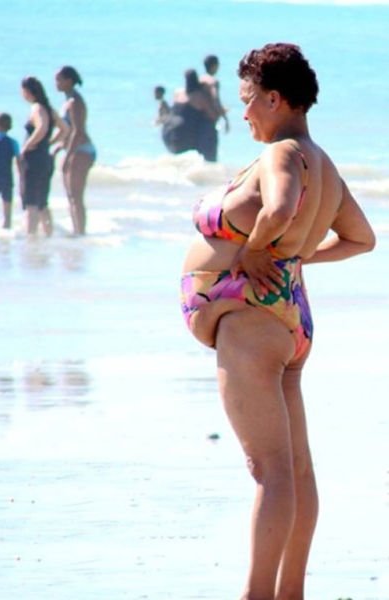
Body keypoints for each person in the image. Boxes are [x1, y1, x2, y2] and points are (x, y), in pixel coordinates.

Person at [180, 43, 375, 599]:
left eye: (248, 99)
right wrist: (295, 258)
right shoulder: (325, 164)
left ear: (275, 98)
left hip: (252, 321)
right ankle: (290, 592)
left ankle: (258, 595)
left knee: (269, 469)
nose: (242, 112)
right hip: (286, 318)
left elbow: (281, 207)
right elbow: (361, 239)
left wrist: (254, 251)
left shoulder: (282, 153)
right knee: (294, 469)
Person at [20, 76, 66, 236]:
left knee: (31, 203)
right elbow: (65, 129)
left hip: (34, 159)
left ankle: (31, 238)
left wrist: (27, 145)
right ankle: (48, 236)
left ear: (27, 91)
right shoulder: (49, 108)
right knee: (42, 203)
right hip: (45, 157)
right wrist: (49, 143)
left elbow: (42, 127)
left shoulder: (37, 108)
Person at [54, 66, 96, 236]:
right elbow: (67, 130)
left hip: (81, 149)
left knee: (76, 196)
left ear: (69, 81)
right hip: (73, 149)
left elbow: (78, 131)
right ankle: (76, 231)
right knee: (71, 195)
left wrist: (68, 156)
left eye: (59, 79)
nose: (56, 83)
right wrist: (57, 146)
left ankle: (80, 232)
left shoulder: (75, 102)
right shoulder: (67, 101)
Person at [163, 69, 218, 160]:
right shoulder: (198, 96)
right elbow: (212, 115)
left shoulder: (178, 93)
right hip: (186, 133)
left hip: (169, 130)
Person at [200, 54, 230, 161]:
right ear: (214, 65)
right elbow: (216, 100)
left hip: (198, 121)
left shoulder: (200, 79)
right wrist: (225, 119)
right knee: (211, 157)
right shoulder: (213, 81)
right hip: (209, 122)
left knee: (201, 156)